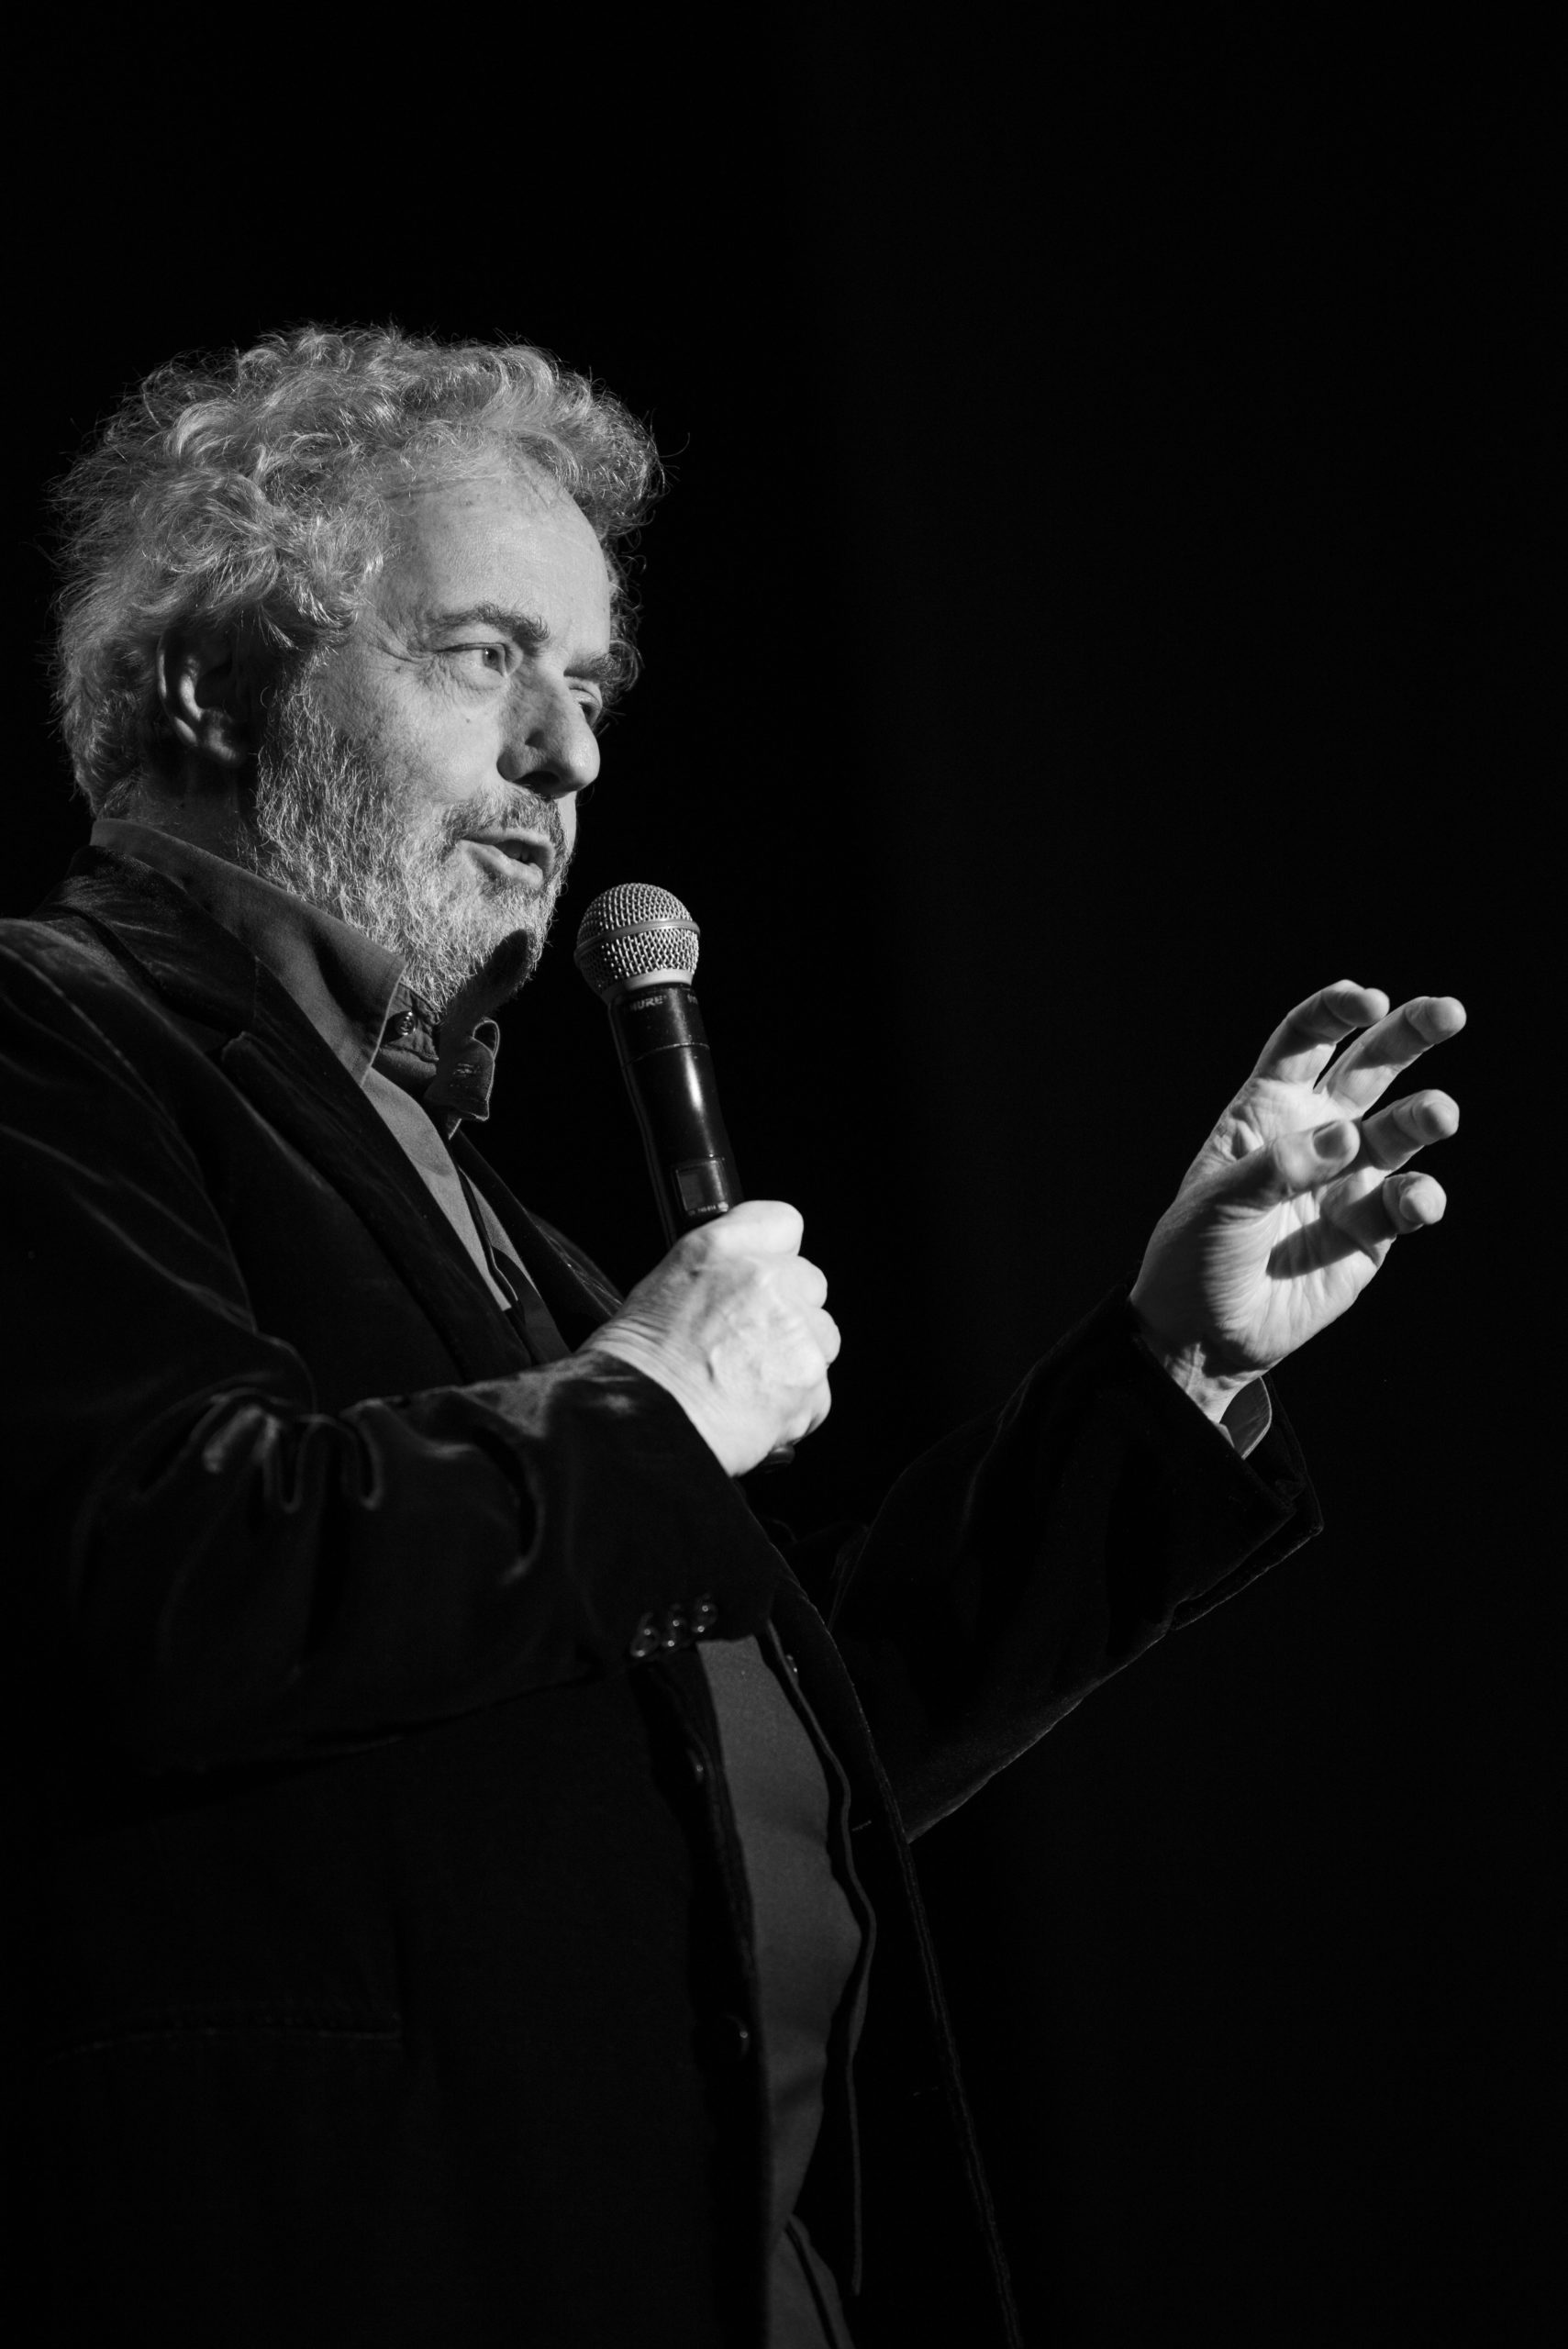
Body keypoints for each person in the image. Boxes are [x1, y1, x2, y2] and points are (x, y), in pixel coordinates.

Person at [0, 328, 1464, 2348]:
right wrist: (652, 1402)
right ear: (213, 683)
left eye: (591, 685)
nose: (572, 756)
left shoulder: (466, 1197)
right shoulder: (54, 1035)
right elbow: (159, 1569)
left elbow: (745, 1739)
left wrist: (1170, 1370)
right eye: (485, 656)